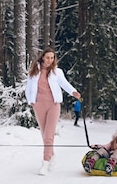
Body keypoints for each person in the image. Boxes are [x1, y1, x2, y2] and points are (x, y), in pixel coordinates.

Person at [25, 47, 81, 176]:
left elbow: (64, 84)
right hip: (38, 105)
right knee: (44, 135)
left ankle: (45, 163)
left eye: (52, 58)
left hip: (53, 105)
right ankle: (52, 156)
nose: (50, 60)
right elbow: (28, 88)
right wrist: (31, 101)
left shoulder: (57, 72)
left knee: (49, 135)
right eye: (47, 57)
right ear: (42, 57)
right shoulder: (34, 71)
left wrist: (73, 92)